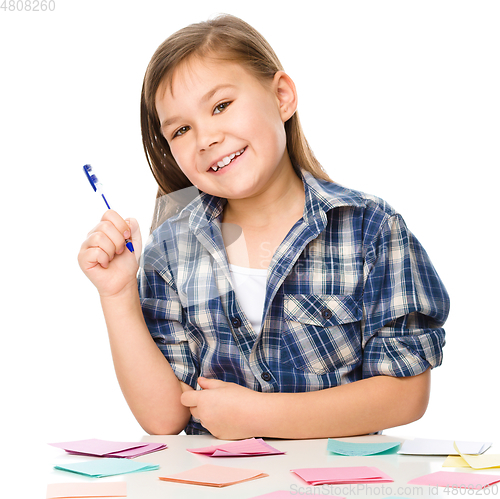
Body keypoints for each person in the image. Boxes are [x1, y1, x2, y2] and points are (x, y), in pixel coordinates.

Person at [78, 14, 449, 440]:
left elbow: (405, 396)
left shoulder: (370, 230)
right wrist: (118, 293)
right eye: (181, 130)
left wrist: (259, 415)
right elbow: (164, 419)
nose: (205, 138)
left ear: (282, 96)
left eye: (221, 106)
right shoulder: (170, 248)